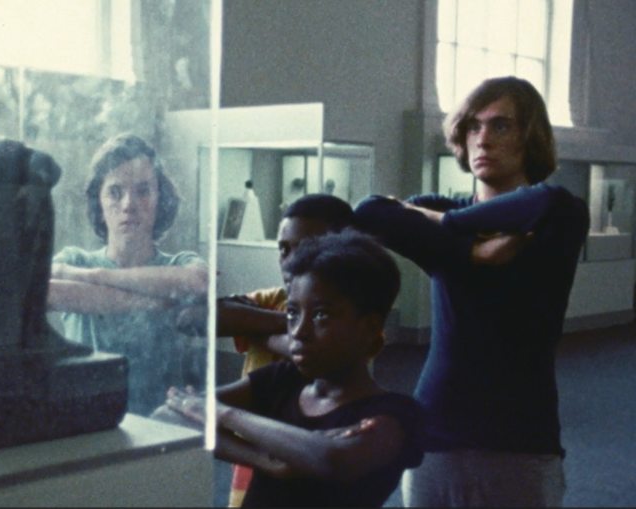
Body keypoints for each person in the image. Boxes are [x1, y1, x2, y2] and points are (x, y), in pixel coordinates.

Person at [354, 76, 590, 507]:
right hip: (436, 432)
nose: (482, 139)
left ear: (529, 135)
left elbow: (550, 200)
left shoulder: (557, 219)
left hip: (521, 438)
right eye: (472, 127)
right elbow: (368, 212)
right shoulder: (446, 208)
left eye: (500, 126)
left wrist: (444, 227)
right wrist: (472, 251)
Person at [165, 229, 424, 508]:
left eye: (321, 315)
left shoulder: (395, 414)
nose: (299, 332)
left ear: (370, 328)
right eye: (292, 313)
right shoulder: (284, 379)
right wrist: (267, 460)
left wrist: (220, 412)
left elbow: (329, 459)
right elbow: (169, 416)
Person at [47, 133, 208, 416]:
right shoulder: (75, 259)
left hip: (160, 431)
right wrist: (155, 299)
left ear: (161, 198)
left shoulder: (181, 262)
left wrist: (96, 276)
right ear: (99, 200)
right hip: (84, 425)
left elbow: (198, 281)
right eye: (115, 192)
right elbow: (43, 290)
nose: (129, 204)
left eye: (143, 191)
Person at [215, 193, 358, 507]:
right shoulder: (274, 298)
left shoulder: (354, 315)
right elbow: (209, 316)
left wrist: (256, 330)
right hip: (255, 465)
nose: (291, 262)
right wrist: (285, 321)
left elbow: (303, 352)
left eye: (305, 248)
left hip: (314, 462)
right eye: (284, 249)